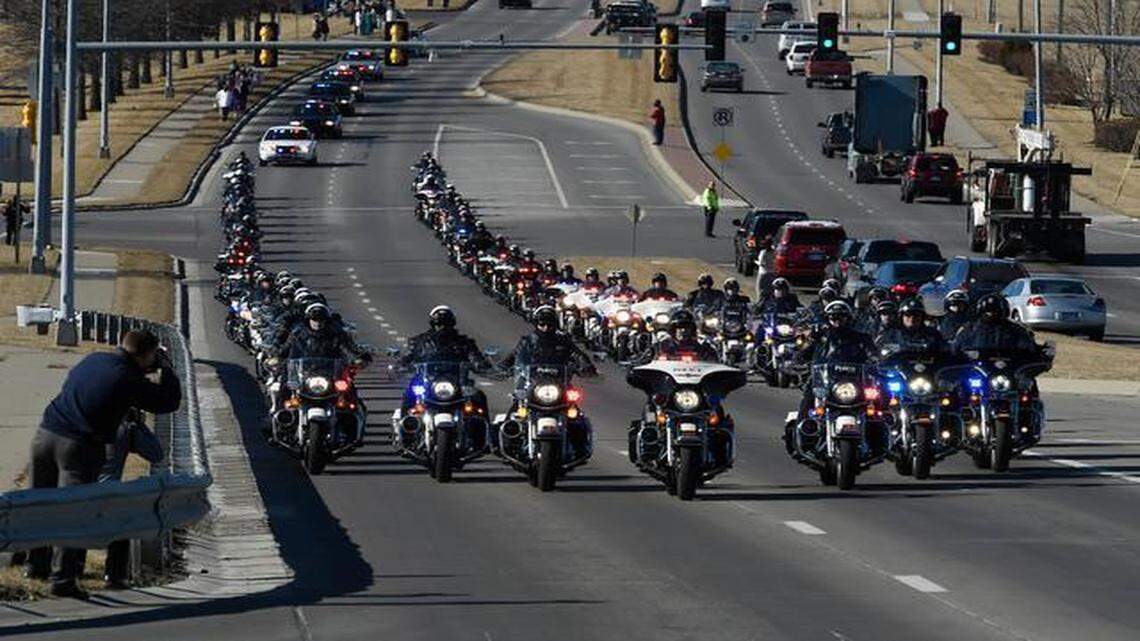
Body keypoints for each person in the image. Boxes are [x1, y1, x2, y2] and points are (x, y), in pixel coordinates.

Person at [27, 330, 182, 598]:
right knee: (75, 511)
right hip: (77, 446)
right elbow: (167, 401)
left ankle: (36, 566)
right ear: (146, 354)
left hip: (45, 435)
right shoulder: (128, 379)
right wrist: (167, 369)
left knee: (40, 504)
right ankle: (63, 578)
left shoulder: (95, 360)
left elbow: (104, 384)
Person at [100, 409, 164, 589]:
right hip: (104, 499)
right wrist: (139, 424)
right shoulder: (125, 428)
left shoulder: (78, 423)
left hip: (71, 497)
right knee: (124, 517)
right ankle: (115, 575)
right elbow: (156, 454)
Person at [398, 306, 494, 418]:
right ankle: (405, 429)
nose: (442, 328)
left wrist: (481, 365)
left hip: (457, 383)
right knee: (409, 396)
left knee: (478, 397)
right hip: (426, 382)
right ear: (433, 325)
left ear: (452, 324)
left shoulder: (464, 342)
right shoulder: (419, 342)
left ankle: (484, 432)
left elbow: (475, 357)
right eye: (439, 324)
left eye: (446, 325)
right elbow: (406, 358)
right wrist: (401, 366)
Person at [952, 294, 1042, 360]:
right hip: (977, 368)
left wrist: (1039, 354)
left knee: (1027, 383)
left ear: (1004, 312)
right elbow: (956, 349)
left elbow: (1029, 349)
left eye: (995, 311)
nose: (991, 315)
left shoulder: (1016, 330)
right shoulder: (969, 329)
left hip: (1008, 369)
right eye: (987, 311)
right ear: (980, 311)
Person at [875, 298, 951, 362]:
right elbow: (878, 356)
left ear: (922, 317)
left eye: (916, 315)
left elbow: (946, 353)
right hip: (899, 375)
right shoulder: (890, 334)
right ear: (901, 316)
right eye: (908, 314)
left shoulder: (933, 334)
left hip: (928, 373)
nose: (912, 318)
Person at [652, 309, 718, 362]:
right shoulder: (659, 347)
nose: (683, 330)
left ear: (692, 330)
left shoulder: (703, 349)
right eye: (679, 327)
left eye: (687, 327)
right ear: (672, 330)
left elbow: (714, 367)